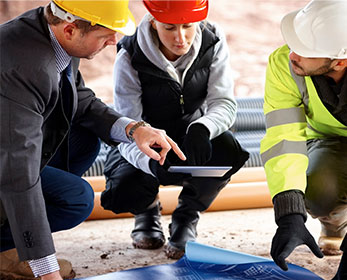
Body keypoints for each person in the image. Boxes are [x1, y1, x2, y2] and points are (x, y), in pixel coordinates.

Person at [0, 1, 186, 279]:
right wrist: (45, 269)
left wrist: (135, 129)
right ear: (71, 29)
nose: (114, 41)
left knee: (83, 140)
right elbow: (17, 171)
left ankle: (11, 239)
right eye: (105, 35)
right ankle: (14, 251)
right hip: (7, 158)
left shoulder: (52, 32)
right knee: (75, 199)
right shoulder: (23, 66)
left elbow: (79, 98)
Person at [101, 0, 249, 260]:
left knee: (228, 152)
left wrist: (203, 128)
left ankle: (186, 218)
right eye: (169, 28)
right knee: (123, 187)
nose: (180, 38)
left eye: (188, 26)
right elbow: (128, 124)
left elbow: (223, 102)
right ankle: (146, 211)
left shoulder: (212, 40)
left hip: (191, 133)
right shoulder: (130, 53)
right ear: (153, 21)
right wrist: (150, 162)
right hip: (144, 139)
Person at [260, 0, 347, 274]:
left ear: (340, 60)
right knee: (319, 190)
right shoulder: (284, 64)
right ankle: (335, 221)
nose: (292, 54)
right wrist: (289, 214)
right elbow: (284, 138)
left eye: (305, 50)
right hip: (328, 140)